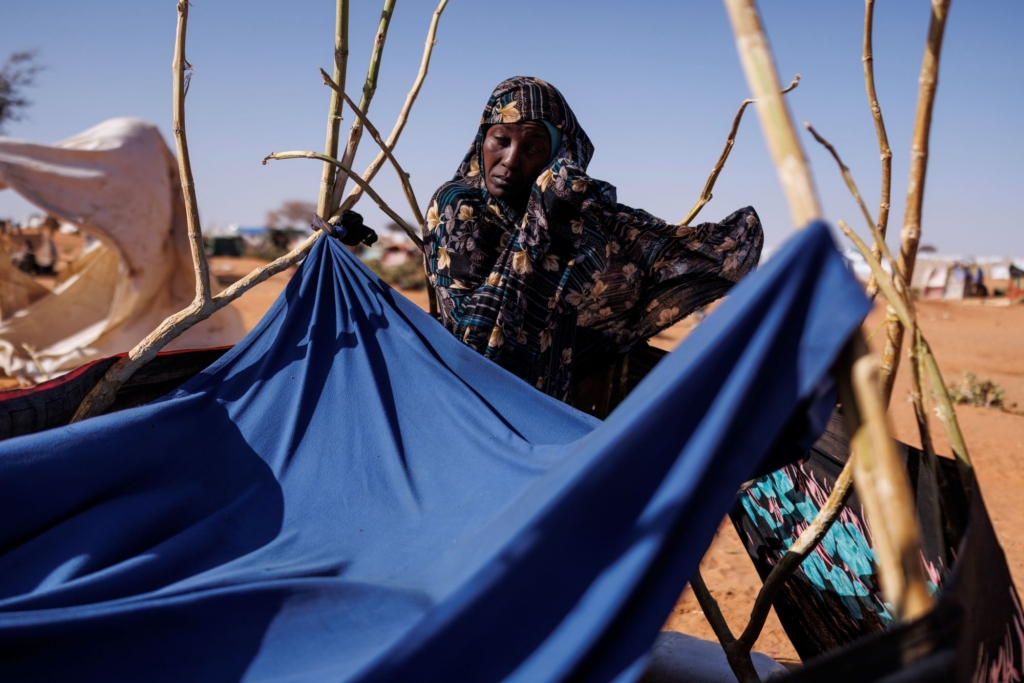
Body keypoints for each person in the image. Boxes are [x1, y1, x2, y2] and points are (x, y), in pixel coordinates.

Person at [423, 77, 763, 403]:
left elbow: (630, 261)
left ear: (554, 157)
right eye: (501, 140)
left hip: (552, 392)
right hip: (474, 398)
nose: (511, 160)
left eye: (533, 148)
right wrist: (545, 222)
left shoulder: (572, 212)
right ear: (483, 138)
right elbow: (472, 339)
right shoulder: (459, 203)